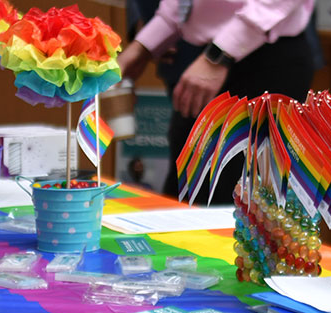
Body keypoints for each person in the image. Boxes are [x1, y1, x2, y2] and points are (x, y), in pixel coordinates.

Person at [118, 0, 319, 205]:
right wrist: (143, 45)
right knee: (185, 196)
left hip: (261, 59)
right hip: (206, 54)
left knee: (239, 207)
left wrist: (219, 55)